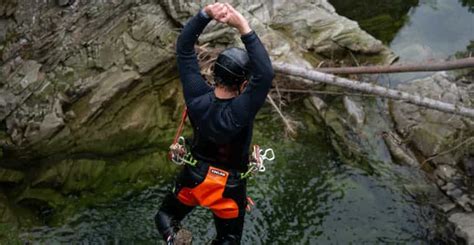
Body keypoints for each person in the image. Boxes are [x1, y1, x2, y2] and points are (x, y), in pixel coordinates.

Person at [155, 2, 274, 244]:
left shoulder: (196, 96)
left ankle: (179, 241)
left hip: (193, 179)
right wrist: (242, 25)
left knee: (165, 216)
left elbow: (184, 48)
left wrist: (205, 14)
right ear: (243, 86)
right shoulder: (241, 110)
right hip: (228, 189)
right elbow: (265, 73)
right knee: (227, 239)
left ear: (213, 72)